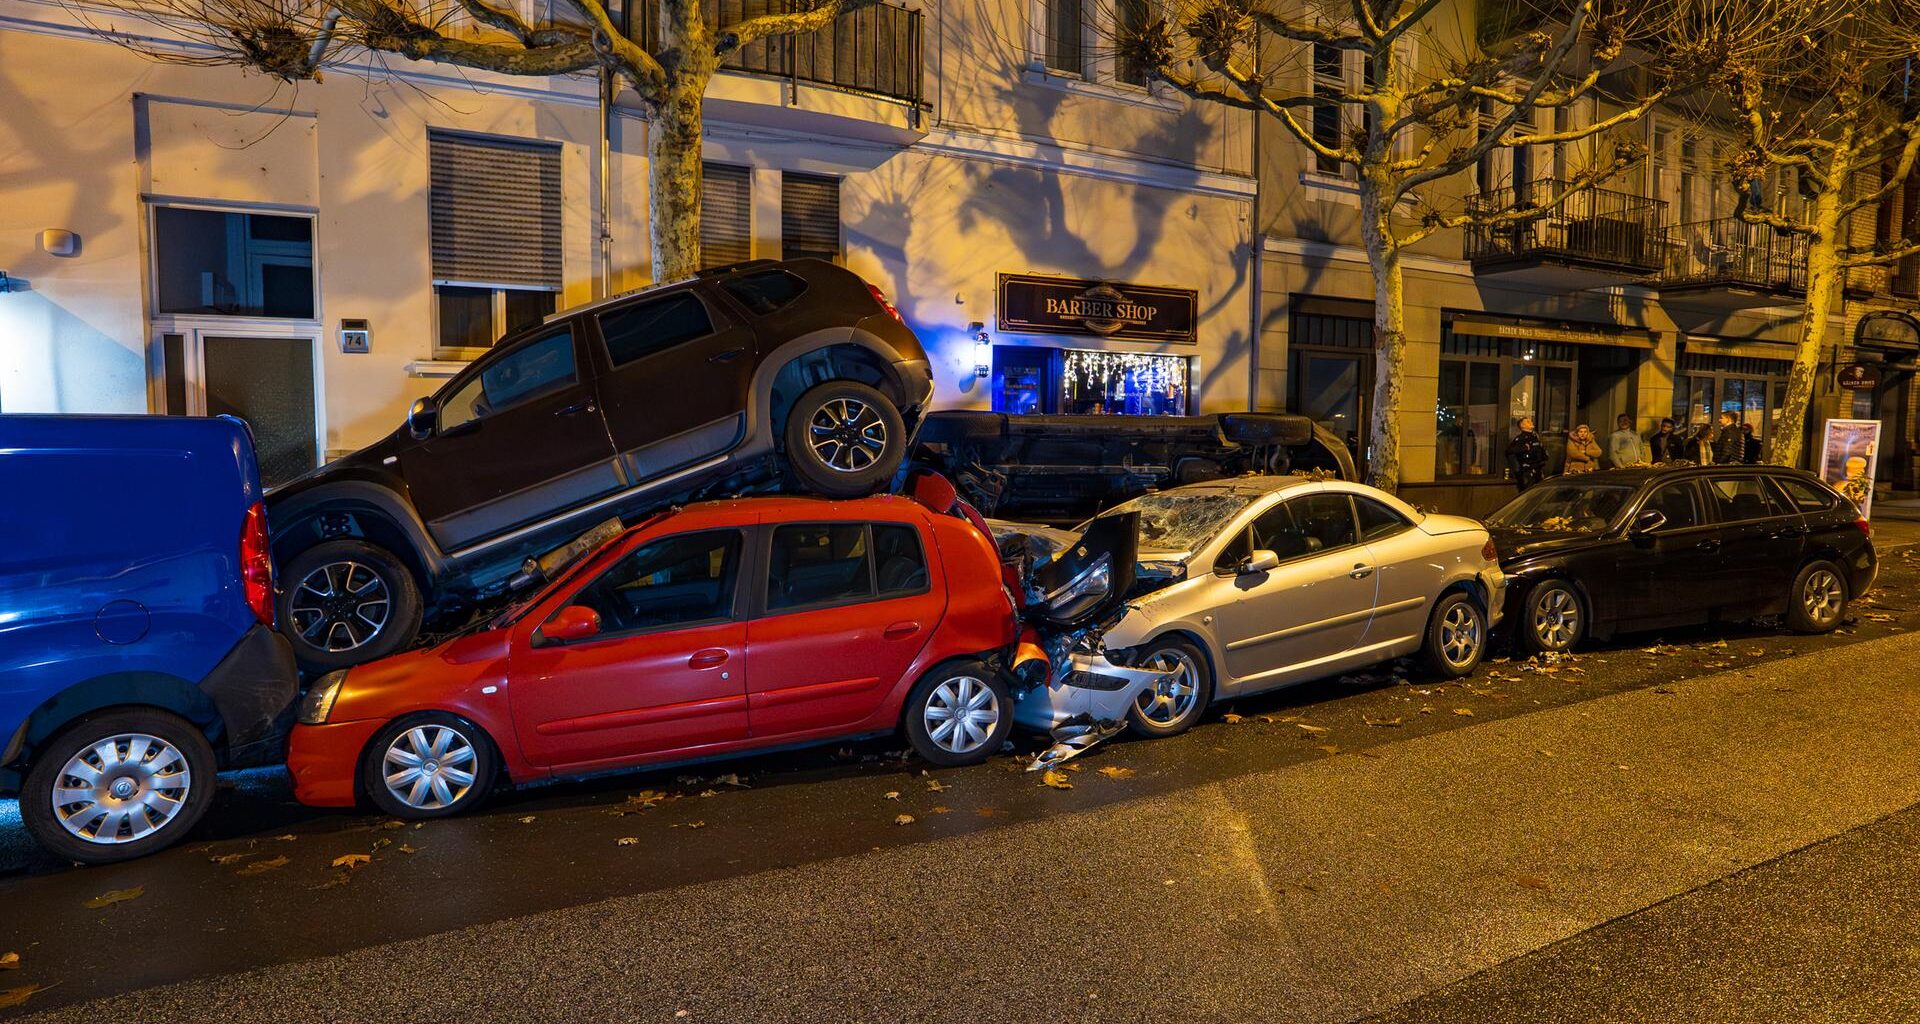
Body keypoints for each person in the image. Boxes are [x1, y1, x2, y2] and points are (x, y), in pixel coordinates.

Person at [1507, 416, 1548, 489]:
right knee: (1527, 490)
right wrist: (1524, 448)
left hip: (1538, 469)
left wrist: (1544, 456)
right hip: (1527, 471)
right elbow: (1509, 451)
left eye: (1531, 421)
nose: (1531, 422)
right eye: (1528, 422)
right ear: (1522, 425)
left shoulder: (1535, 436)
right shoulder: (1521, 438)